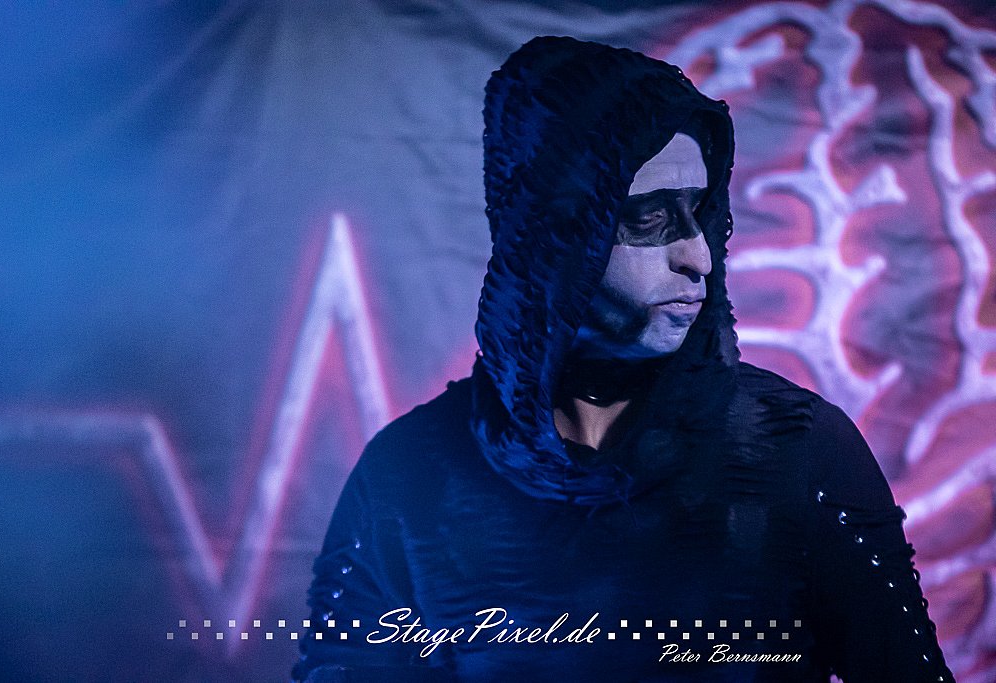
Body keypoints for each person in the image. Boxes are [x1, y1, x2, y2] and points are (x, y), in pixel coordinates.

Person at [290, 36, 954, 682]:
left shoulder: (799, 451)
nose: (697, 256)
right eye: (650, 216)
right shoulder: (408, 473)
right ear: (555, 231)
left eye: (698, 211)